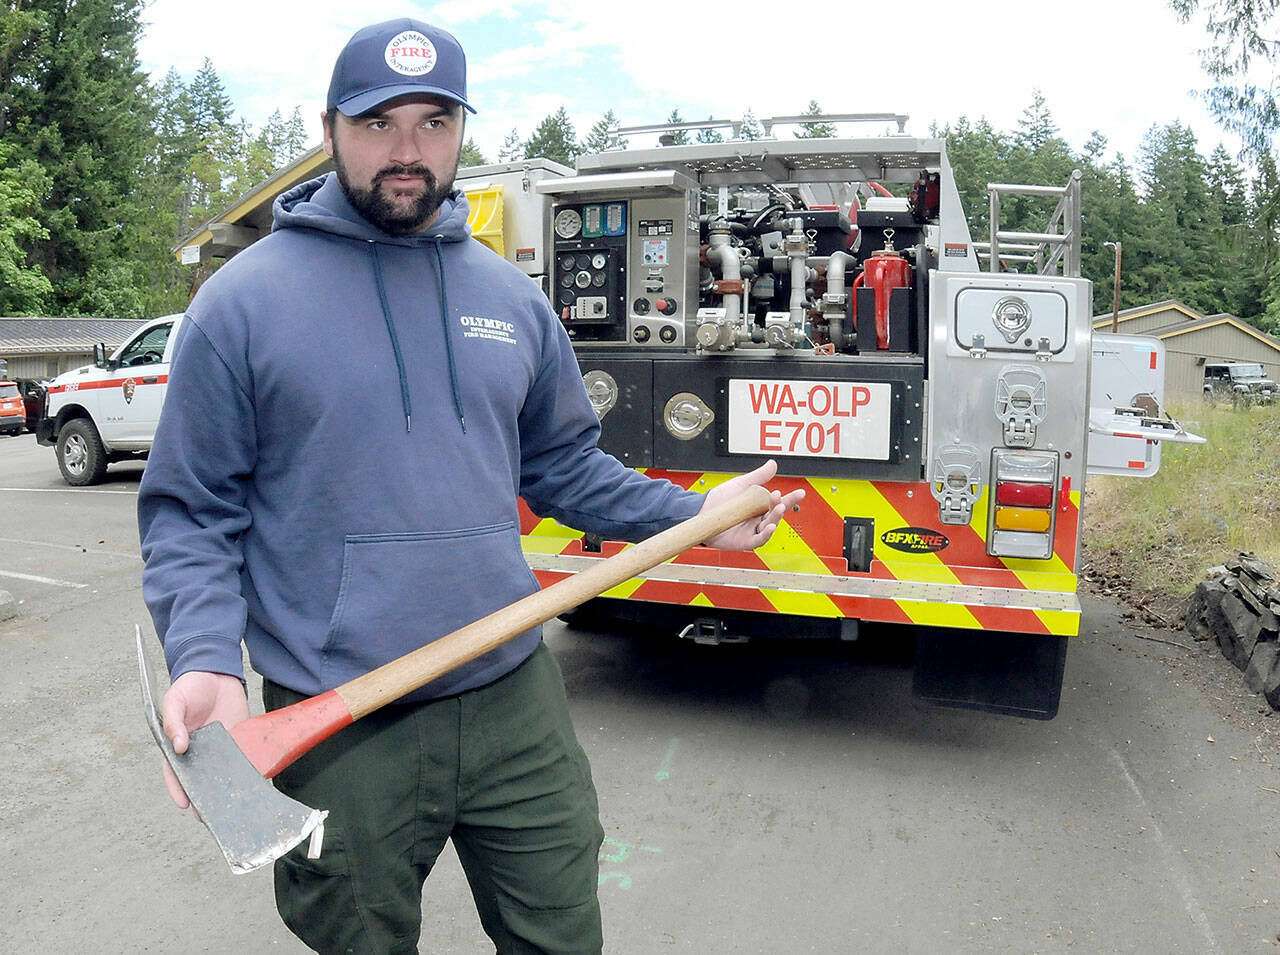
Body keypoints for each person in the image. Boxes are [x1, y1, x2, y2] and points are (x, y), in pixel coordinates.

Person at [138, 17, 804, 955]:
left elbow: (563, 465)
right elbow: (191, 511)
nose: (407, 151)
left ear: (461, 131)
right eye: (378, 123)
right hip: (340, 710)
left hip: (510, 692)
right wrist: (205, 654)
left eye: (435, 122)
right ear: (329, 130)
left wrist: (693, 515)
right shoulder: (242, 304)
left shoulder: (511, 298)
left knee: (562, 935)